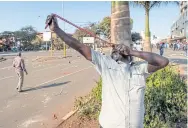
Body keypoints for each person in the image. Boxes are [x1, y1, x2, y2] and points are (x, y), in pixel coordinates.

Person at [46, 14, 169, 128]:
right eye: (114, 50)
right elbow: (79, 46)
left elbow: (163, 62)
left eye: (121, 48)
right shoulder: (106, 64)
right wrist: (56, 30)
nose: (117, 49)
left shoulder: (140, 68)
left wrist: (132, 51)